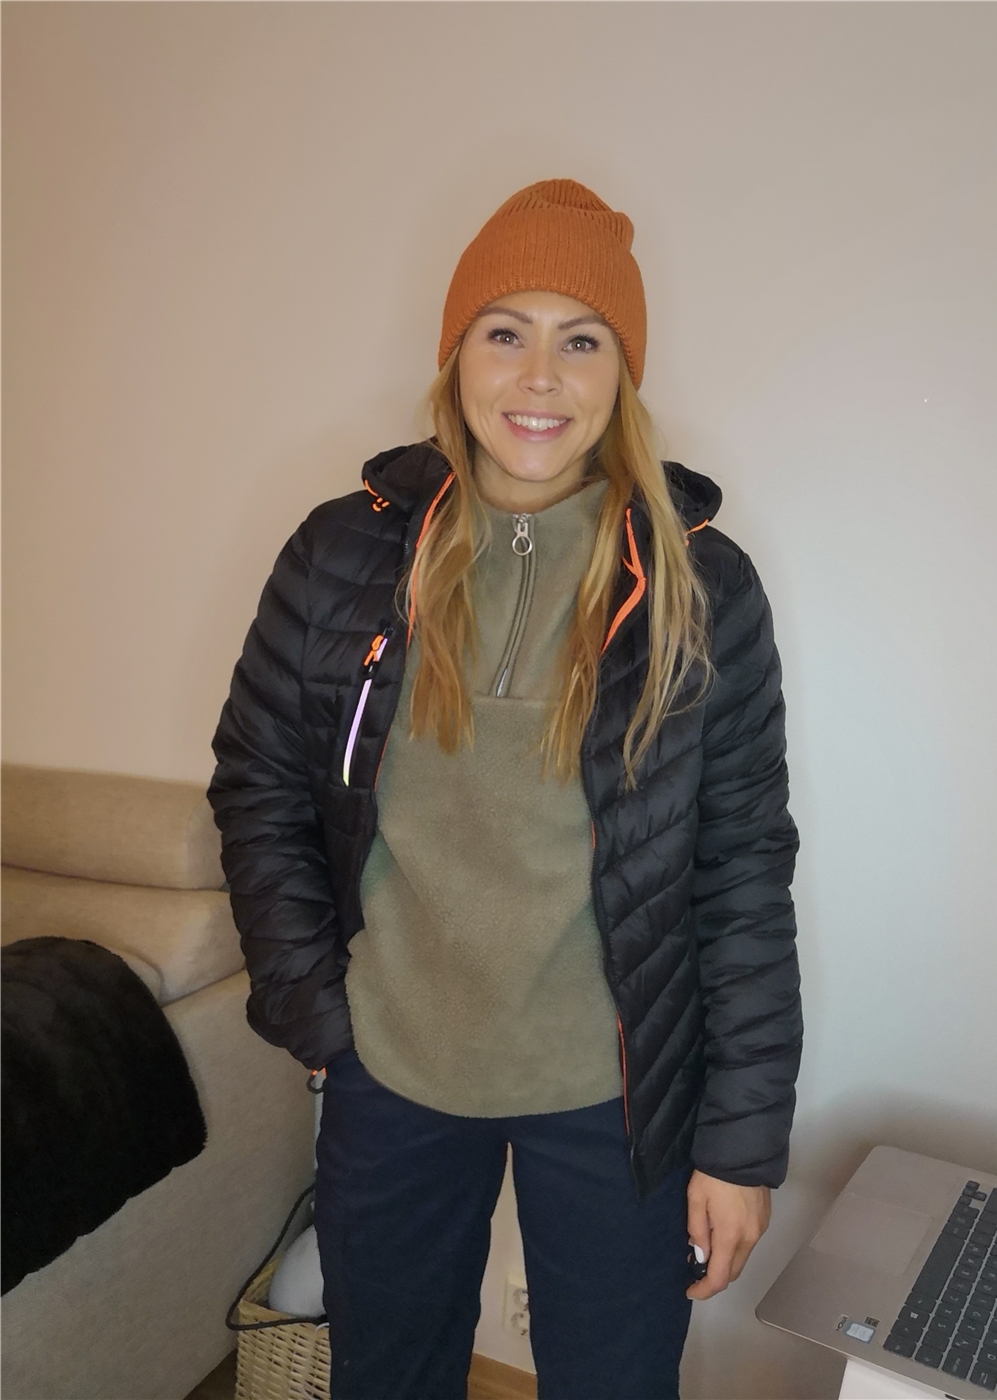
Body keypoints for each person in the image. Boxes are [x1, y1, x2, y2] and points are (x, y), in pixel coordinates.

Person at [208, 178, 802, 1400]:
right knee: (390, 1376)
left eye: (581, 340)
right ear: (456, 357)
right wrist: (321, 1019)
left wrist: (740, 1143)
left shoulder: (704, 586)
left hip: (617, 1091)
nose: (540, 376)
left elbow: (743, 867)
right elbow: (258, 786)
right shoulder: (340, 553)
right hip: (394, 1069)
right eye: (504, 332)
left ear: (622, 373)